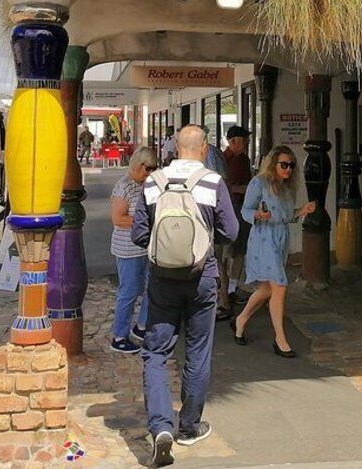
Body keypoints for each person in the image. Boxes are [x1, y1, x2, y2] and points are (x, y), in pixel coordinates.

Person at [131, 125, 239, 466]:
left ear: (176, 147)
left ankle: (161, 427)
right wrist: (201, 242)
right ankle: (190, 426)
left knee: (156, 352)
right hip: (202, 277)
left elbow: (138, 235)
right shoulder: (213, 182)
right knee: (197, 350)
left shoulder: (153, 182)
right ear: (204, 148)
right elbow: (231, 231)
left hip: (162, 279)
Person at [231, 146, 316, 358]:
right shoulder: (259, 183)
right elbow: (245, 210)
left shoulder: (287, 187)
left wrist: (302, 211)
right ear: (273, 164)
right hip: (263, 238)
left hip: (280, 239)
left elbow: (286, 216)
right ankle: (280, 339)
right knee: (280, 285)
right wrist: (258, 215)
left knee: (267, 289)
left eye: (291, 165)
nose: (288, 169)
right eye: (284, 165)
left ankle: (240, 320)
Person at [109, 147, 159, 353]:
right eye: (148, 168)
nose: (150, 173)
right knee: (128, 292)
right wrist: (144, 221)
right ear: (138, 165)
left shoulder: (145, 185)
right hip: (127, 249)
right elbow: (118, 219)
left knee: (151, 288)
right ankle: (119, 335)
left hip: (144, 247)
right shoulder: (124, 186)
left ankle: (142, 326)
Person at [217, 125, 252, 320]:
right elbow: (226, 186)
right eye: (243, 139)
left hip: (238, 208)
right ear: (233, 141)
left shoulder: (241, 159)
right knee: (229, 251)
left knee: (237, 250)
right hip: (233, 208)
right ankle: (226, 291)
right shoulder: (225, 160)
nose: (246, 142)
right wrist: (245, 188)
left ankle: (231, 288)